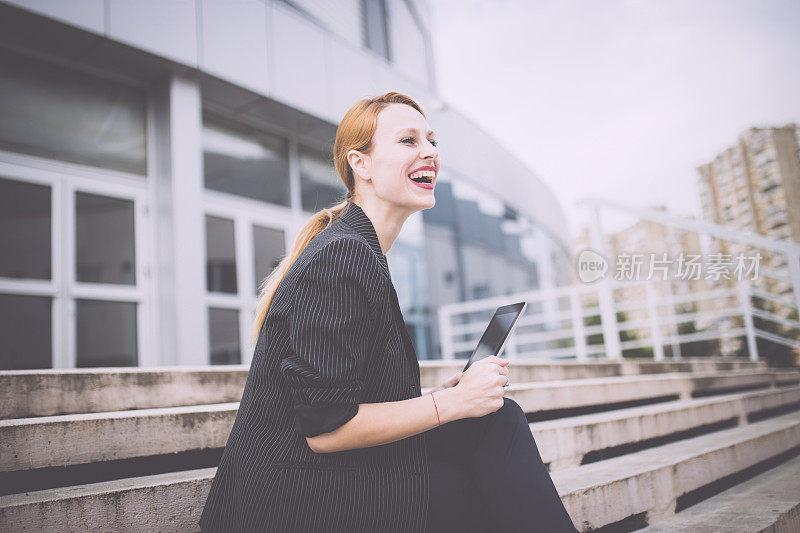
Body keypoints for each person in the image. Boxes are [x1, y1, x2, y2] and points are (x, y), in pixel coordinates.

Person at [199, 92, 578, 533]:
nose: (430, 152)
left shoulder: (357, 249)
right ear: (360, 164)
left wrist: (451, 399)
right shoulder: (343, 255)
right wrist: (452, 401)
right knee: (493, 442)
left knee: (494, 422)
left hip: (321, 483)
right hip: (293, 503)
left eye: (432, 141)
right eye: (408, 140)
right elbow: (325, 429)